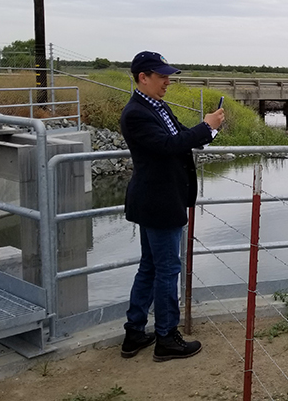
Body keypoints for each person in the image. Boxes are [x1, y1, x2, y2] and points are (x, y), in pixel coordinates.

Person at [118, 51, 224, 361]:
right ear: (143, 77)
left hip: (158, 198)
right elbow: (167, 147)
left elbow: (181, 137)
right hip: (158, 201)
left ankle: (134, 333)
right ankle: (166, 337)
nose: (168, 81)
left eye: (168, 75)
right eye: (162, 75)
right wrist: (204, 127)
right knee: (167, 270)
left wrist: (210, 130)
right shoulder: (136, 113)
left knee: (151, 267)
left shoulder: (156, 107)